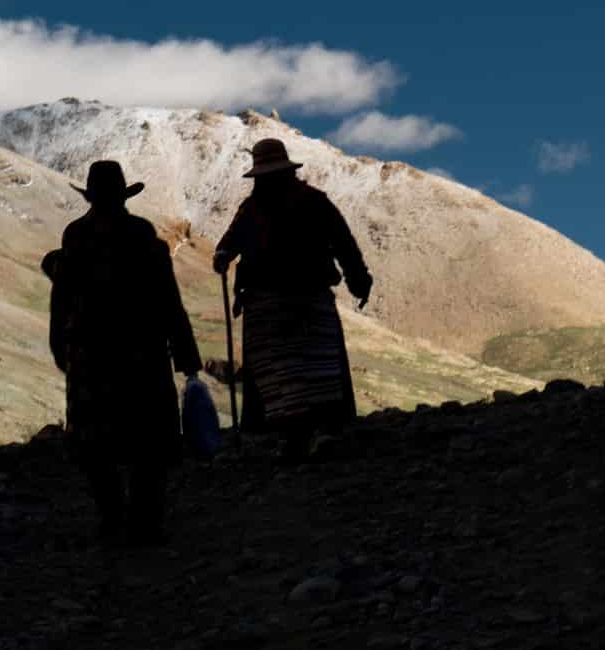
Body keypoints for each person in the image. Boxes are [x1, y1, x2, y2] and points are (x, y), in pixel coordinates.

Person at [42, 160, 201, 544]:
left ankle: (111, 519)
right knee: (149, 440)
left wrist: (61, 348)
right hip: (142, 352)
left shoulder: (76, 237)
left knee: (96, 442)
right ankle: (145, 522)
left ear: (91, 197)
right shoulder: (143, 236)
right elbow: (168, 300)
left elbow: (61, 299)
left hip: (90, 355)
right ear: (123, 195)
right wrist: (186, 354)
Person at [212, 138, 373, 452]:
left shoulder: (252, 208)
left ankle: (293, 436)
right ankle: (317, 433)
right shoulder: (314, 201)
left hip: (268, 306)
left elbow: (228, 243)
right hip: (308, 299)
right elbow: (345, 245)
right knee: (317, 367)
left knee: (281, 372)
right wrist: (359, 282)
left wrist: (222, 256)